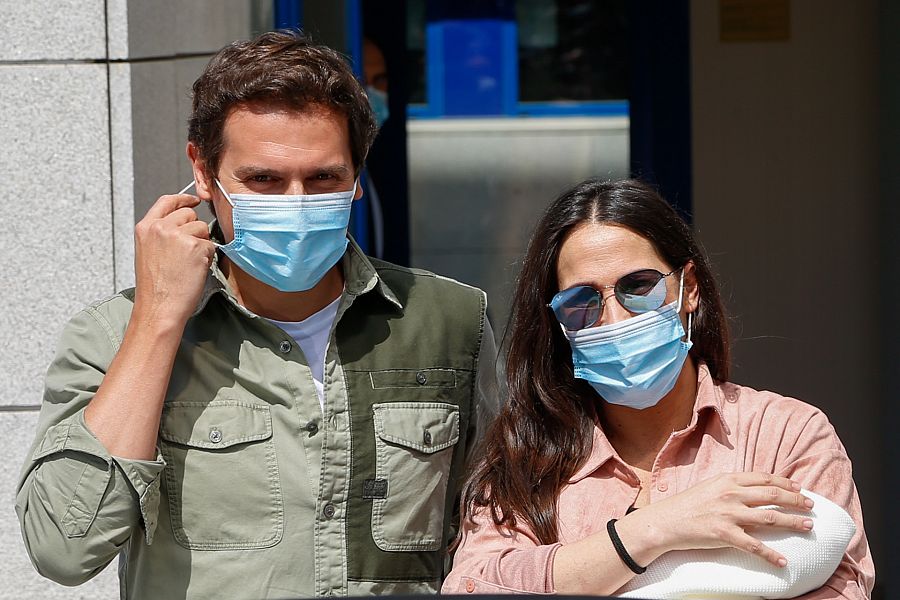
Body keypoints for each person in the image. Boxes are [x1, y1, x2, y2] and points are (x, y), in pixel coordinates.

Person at [16, 30, 498, 599]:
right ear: (203, 172)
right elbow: (64, 548)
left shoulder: (450, 319)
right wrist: (158, 320)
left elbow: (501, 531)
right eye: (263, 180)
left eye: (323, 178)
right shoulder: (113, 333)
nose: (295, 201)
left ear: (357, 176)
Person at [442, 178, 873, 598]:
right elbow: (472, 584)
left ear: (690, 289)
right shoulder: (524, 456)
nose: (615, 320)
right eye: (582, 302)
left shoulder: (784, 435)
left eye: (639, 287)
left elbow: (841, 585)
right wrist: (653, 529)